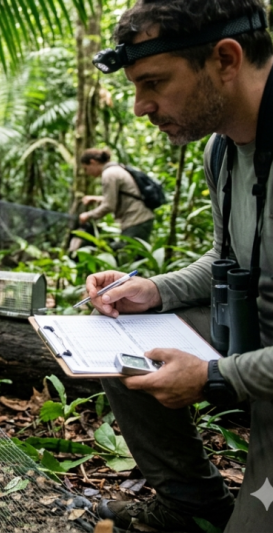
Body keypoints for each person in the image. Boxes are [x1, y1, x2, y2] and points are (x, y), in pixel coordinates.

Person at [84, 1, 273, 532]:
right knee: (126, 342)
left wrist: (215, 377)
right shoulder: (223, 152)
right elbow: (226, 258)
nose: (141, 107)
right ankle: (190, 504)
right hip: (252, 334)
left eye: (154, 83)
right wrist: (151, 290)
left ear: (226, 59)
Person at [78, 148, 155, 249]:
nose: (87, 173)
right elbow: (121, 196)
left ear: (93, 162)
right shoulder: (116, 169)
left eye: (86, 168)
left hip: (136, 219)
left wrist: (88, 215)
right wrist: (96, 199)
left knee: (128, 255)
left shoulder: (109, 174)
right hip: (141, 218)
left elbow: (109, 206)